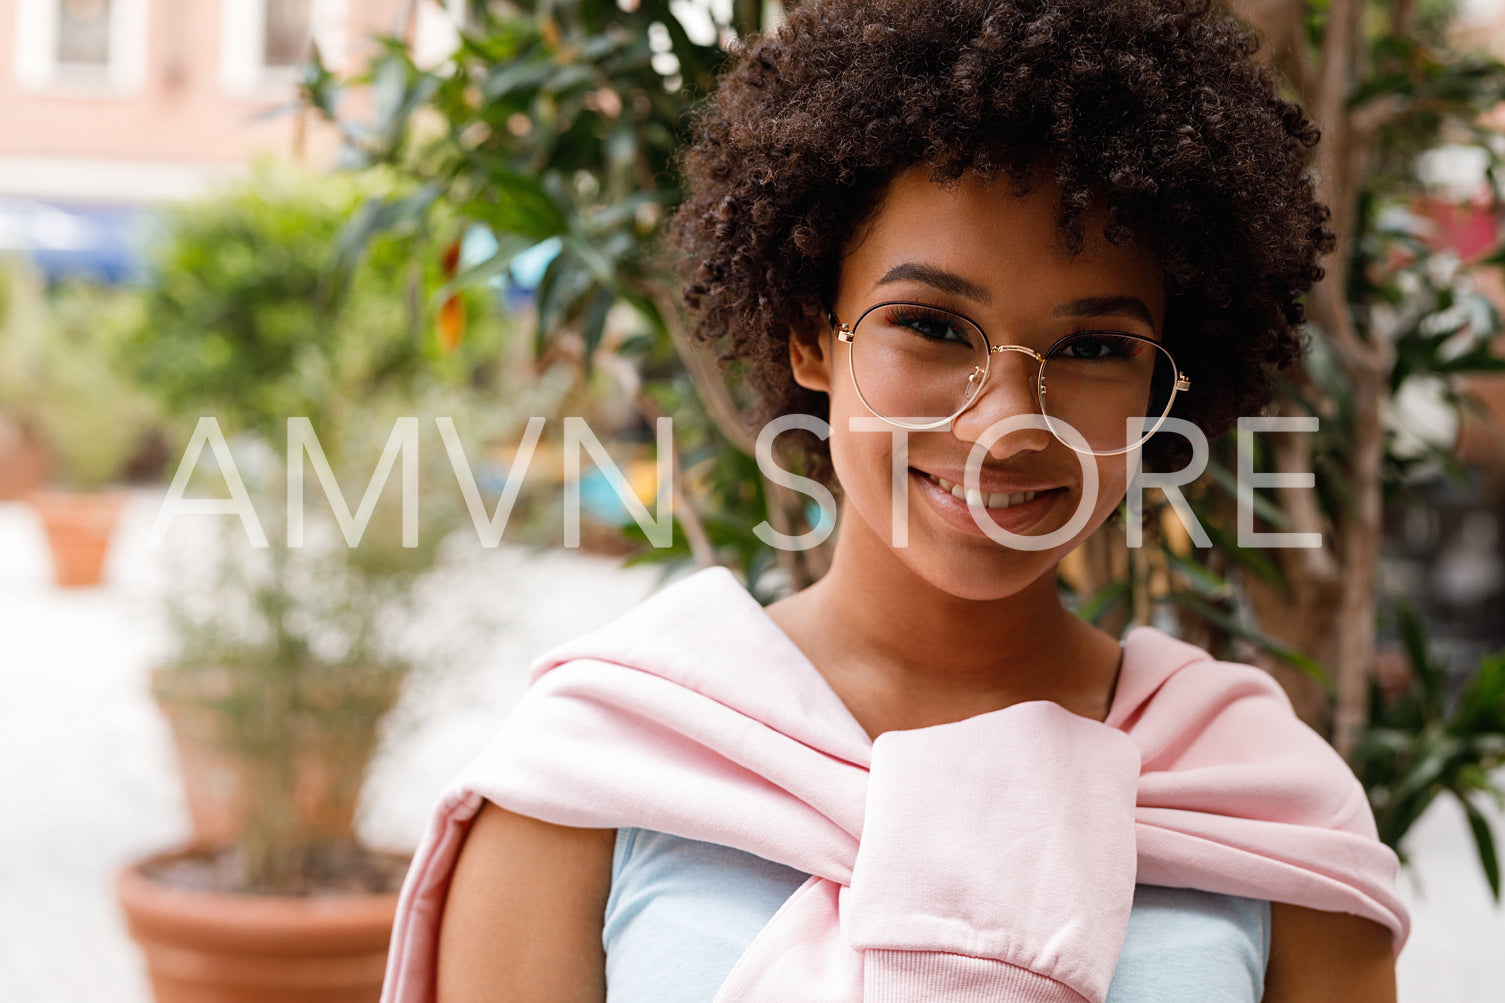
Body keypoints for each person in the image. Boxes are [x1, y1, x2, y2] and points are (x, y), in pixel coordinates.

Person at [383, 1, 1410, 1000]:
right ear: (807, 335)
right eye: (929, 324)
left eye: (1093, 347)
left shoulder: (1265, 809)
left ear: (1160, 387)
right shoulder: (593, 773)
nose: (1005, 422)